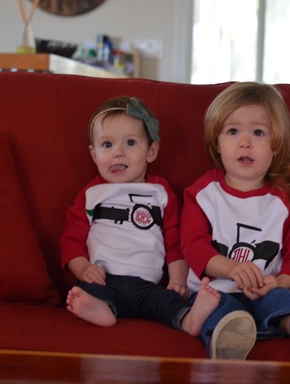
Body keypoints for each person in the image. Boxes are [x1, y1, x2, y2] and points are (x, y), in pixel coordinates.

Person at [181, 82, 290, 364]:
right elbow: (193, 246)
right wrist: (231, 268)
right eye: (232, 131)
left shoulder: (285, 201)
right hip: (215, 291)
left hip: (265, 290)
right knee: (220, 310)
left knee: (284, 300)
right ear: (217, 143)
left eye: (258, 132)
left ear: (277, 146)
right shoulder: (202, 194)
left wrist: (280, 281)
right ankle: (226, 344)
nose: (245, 142)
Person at [60, 95, 219, 336]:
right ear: (94, 155)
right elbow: (71, 239)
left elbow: (175, 241)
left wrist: (177, 280)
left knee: (166, 301)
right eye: (107, 145)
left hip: (146, 285)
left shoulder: (160, 193)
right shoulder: (92, 194)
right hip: (103, 279)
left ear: (151, 151)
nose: (118, 153)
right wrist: (83, 269)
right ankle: (101, 309)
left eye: (131, 143)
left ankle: (189, 319)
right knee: (89, 292)